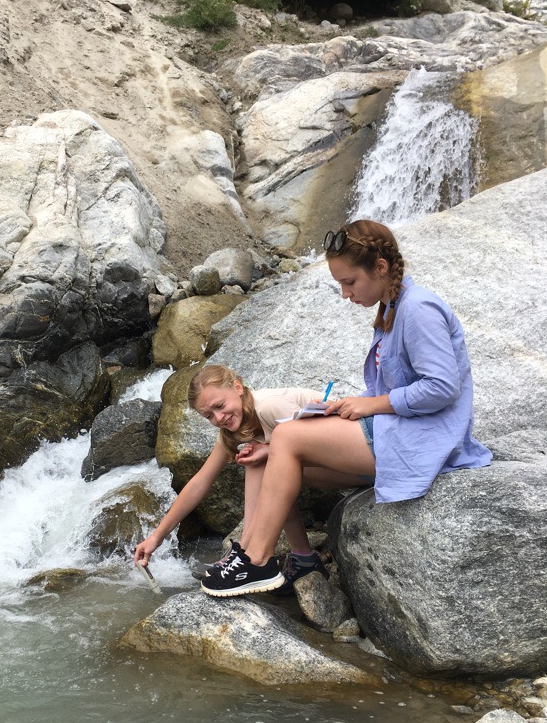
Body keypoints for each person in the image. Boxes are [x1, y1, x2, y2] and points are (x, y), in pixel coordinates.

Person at [201, 218, 492, 598]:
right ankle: (281, 556)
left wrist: (369, 404)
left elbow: (442, 387)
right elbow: (399, 389)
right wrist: (347, 409)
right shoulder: (392, 308)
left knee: (286, 435)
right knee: (267, 457)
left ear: (381, 268)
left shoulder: (418, 309)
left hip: (422, 441)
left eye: (349, 282)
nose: (344, 293)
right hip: (397, 432)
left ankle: (257, 561)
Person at [133, 364, 355, 591]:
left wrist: (267, 450)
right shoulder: (233, 428)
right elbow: (201, 481)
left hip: (354, 465)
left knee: (263, 460)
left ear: (238, 388)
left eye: (220, 406)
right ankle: (298, 559)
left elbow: (322, 445)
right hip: (332, 467)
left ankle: (249, 554)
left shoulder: (270, 406)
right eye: (209, 415)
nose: (219, 418)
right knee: (259, 458)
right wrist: (157, 537)